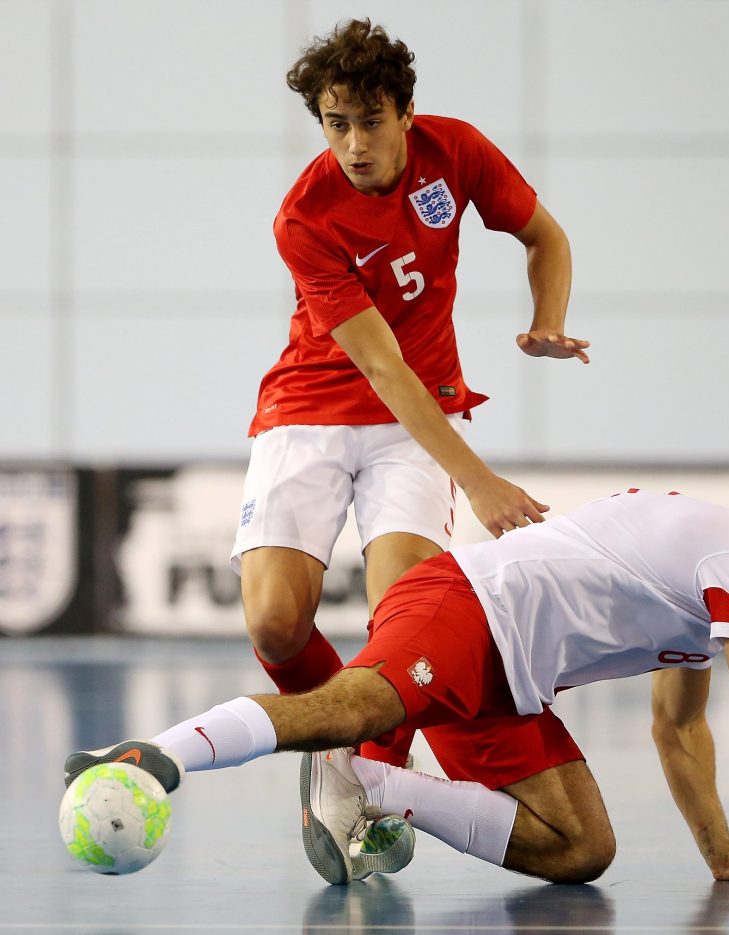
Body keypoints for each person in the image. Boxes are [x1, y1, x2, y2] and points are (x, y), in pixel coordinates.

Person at [65, 488, 729, 892]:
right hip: (470, 606)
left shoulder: (721, 599)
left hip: (513, 678)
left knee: (581, 848)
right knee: (362, 704)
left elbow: (681, 730)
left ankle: (371, 787)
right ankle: (151, 757)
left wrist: (723, 855)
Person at [234, 18, 588, 848]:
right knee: (275, 626)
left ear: (406, 111)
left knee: (403, 620)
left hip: (417, 425)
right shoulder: (303, 217)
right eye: (335, 124)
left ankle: (362, 786)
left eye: (370, 120)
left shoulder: (455, 150)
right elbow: (382, 368)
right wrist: (479, 479)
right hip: (309, 412)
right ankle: (350, 750)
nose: (353, 144)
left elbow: (546, 236)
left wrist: (548, 320)